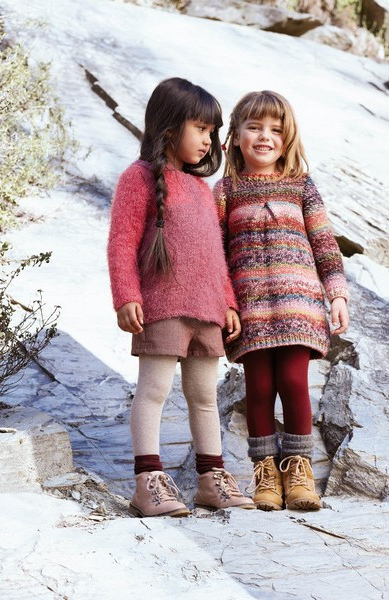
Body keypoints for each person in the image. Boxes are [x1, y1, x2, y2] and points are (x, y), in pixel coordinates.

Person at [107, 77, 255, 518]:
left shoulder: (201, 189)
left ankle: (212, 479)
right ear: (169, 128)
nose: (209, 140)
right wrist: (126, 294)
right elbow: (121, 243)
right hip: (163, 306)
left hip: (207, 311)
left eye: (212, 132)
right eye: (201, 129)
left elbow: (214, 254)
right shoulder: (138, 178)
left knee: (204, 395)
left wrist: (228, 301)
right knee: (154, 390)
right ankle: (148, 481)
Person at [213, 90, 350, 511]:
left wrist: (337, 294)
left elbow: (324, 243)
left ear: (287, 137)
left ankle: (298, 471)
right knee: (259, 388)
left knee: (292, 382)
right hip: (250, 310)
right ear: (235, 136)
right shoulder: (226, 190)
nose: (265, 137)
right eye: (254, 127)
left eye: (275, 129)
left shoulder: (301, 186)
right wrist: (226, 304)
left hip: (299, 306)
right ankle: (265, 474)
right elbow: (215, 254)